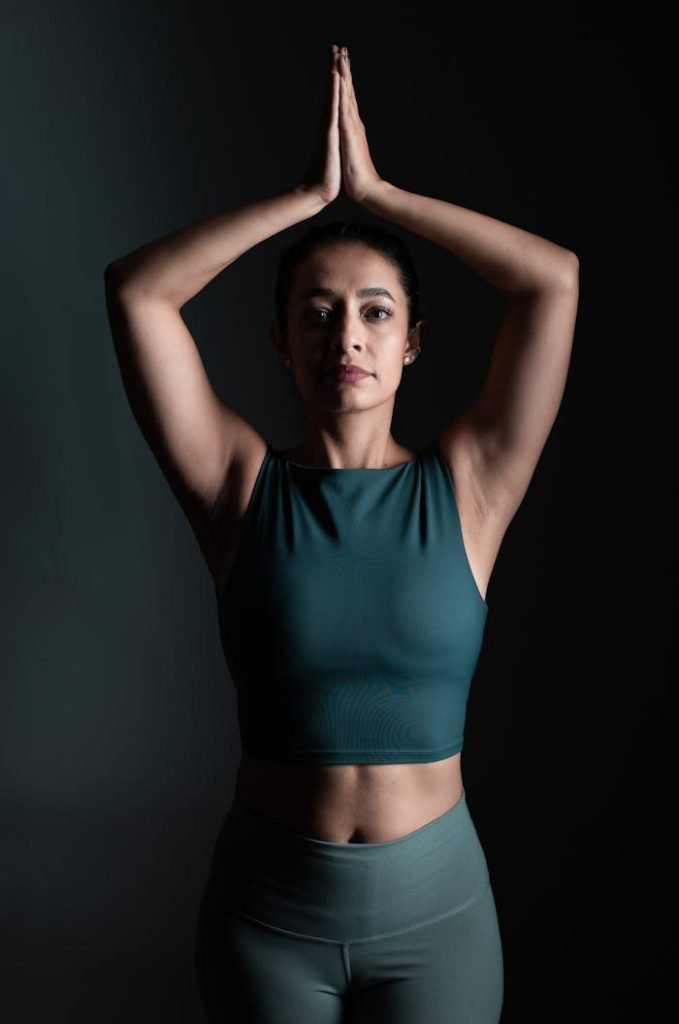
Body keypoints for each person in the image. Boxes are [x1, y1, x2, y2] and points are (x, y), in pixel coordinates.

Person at [104, 42, 578, 1024]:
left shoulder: (470, 486)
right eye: (316, 315)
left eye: (373, 313)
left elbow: (553, 281)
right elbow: (137, 293)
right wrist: (310, 199)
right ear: (282, 342)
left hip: (438, 916)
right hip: (268, 913)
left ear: (408, 342)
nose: (345, 338)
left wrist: (378, 195)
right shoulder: (236, 486)